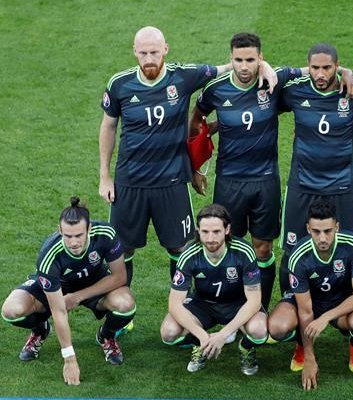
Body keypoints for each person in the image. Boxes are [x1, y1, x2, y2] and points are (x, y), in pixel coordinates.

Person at [99, 26, 275, 284]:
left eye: (155, 52)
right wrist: (104, 176)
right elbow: (108, 126)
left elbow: (230, 67)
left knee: (180, 247)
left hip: (172, 182)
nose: (150, 59)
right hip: (129, 182)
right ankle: (122, 311)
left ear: (165, 50)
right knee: (122, 249)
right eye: (144, 53)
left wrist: (265, 65)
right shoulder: (119, 84)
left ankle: (181, 306)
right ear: (134, 51)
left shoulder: (183, 76)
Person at [189, 33, 302, 310]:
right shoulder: (215, 89)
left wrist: (345, 72)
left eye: (251, 60)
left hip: (265, 181)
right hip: (229, 182)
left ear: (260, 58)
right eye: (238, 60)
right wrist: (197, 166)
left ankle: (259, 308)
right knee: (232, 246)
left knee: (262, 248)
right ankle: (233, 306)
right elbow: (196, 118)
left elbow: (315, 69)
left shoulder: (273, 81)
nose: (244, 66)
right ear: (231, 59)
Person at [1, 197, 136, 386]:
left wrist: (78, 296)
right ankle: (40, 330)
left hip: (93, 282)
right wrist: (69, 359)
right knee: (11, 310)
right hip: (57, 288)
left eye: (79, 235)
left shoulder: (105, 234)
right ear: (60, 230)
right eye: (68, 236)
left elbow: (120, 277)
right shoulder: (49, 255)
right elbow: (59, 310)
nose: (73, 242)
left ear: (89, 229)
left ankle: (106, 335)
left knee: (126, 304)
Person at [279, 42, 353, 268]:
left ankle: (350, 298)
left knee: (352, 249)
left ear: (337, 66)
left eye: (327, 68)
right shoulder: (294, 90)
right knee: (292, 251)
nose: (320, 74)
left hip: (342, 184)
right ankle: (291, 299)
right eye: (315, 68)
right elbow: (264, 106)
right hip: (303, 183)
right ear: (307, 67)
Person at [268, 199, 353, 391]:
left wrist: (326, 318)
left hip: (342, 303)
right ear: (308, 229)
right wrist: (309, 357)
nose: (322, 238)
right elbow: (306, 311)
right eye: (316, 232)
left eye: (328, 231)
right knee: (277, 327)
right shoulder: (298, 255)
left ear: (337, 227)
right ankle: (301, 345)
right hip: (310, 303)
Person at [159, 204, 267, 375]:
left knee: (259, 330)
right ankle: (198, 344)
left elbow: (254, 301)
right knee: (169, 332)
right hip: (203, 304)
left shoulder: (243, 251)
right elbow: (174, 304)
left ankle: (245, 348)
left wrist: (223, 334)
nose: (210, 238)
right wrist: (202, 336)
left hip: (237, 304)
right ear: (198, 230)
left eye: (216, 231)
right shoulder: (189, 254)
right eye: (205, 232)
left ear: (227, 229)